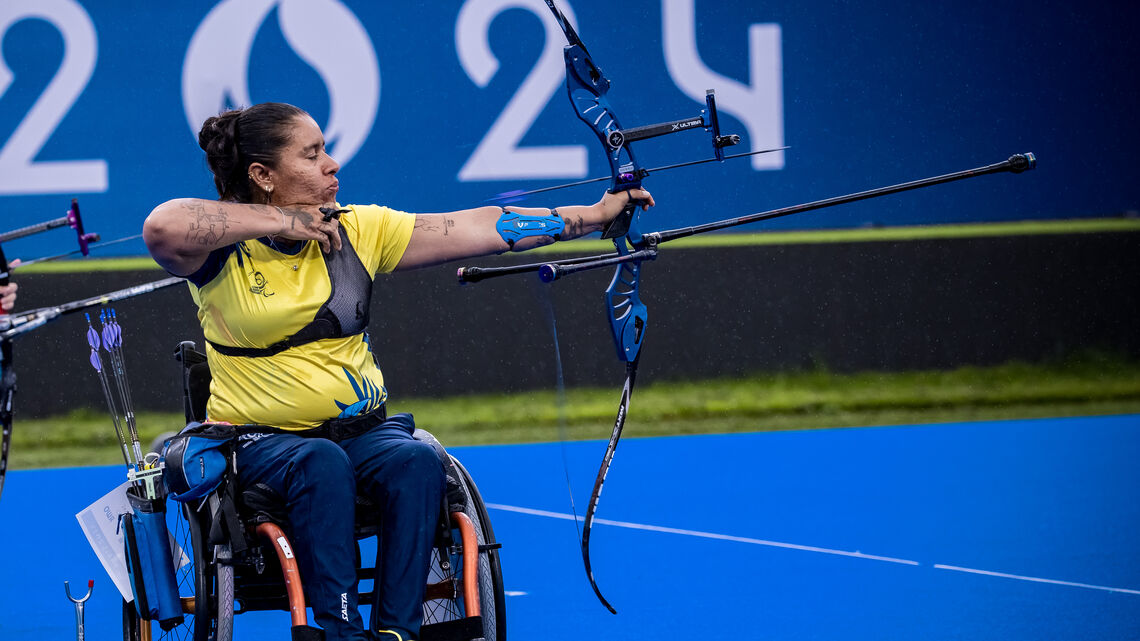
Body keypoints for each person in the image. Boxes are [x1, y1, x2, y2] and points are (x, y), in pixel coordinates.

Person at [143, 102, 653, 641]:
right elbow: (161, 227)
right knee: (320, 462)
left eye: (325, 150)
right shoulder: (221, 253)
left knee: (416, 460)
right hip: (262, 444)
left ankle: (396, 634)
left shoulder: (359, 230)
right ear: (262, 176)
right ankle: (342, 633)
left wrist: (593, 216)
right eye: (311, 155)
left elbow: (480, 226)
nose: (331, 164)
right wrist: (285, 220)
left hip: (363, 432)